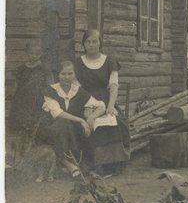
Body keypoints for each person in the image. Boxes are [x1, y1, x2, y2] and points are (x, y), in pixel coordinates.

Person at [74, 29, 131, 175]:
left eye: (95, 41)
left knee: (117, 121)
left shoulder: (109, 61)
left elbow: (113, 85)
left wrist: (111, 105)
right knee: (86, 123)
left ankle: (112, 165)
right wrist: (87, 106)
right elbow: (77, 88)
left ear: (100, 43)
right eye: (88, 42)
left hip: (106, 100)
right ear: (83, 44)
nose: (91, 45)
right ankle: (93, 164)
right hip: (85, 100)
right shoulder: (78, 63)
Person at [40, 60, 106, 178]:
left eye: (70, 73)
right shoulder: (50, 91)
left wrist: (91, 117)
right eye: (63, 74)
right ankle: (67, 163)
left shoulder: (78, 91)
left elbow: (101, 106)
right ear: (58, 75)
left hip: (72, 129)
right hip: (52, 127)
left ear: (74, 74)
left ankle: (83, 166)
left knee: (80, 130)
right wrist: (80, 120)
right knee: (62, 124)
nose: (67, 77)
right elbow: (58, 113)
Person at [7, 40, 53, 162]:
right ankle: (17, 156)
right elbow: (16, 86)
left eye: (37, 53)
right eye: (31, 53)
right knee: (20, 130)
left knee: (32, 129)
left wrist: (47, 100)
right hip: (21, 103)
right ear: (26, 53)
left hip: (36, 103)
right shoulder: (21, 69)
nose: (34, 56)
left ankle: (29, 157)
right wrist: (13, 99)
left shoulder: (44, 70)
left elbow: (50, 86)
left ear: (41, 53)